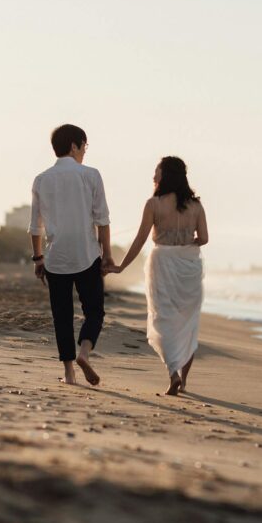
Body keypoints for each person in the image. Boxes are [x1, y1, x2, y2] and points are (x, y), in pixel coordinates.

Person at [105, 156, 208, 395]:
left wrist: (121, 266)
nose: (153, 176)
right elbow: (204, 238)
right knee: (187, 322)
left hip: (162, 262)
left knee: (163, 319)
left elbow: (141, 239)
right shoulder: (196, 206)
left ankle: (173, 374)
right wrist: (186, 242)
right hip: (189, 264)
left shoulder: (153, 204)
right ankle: (184, 379)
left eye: (157, 172)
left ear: (165, 176)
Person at [29, 124, 114, 386]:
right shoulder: (90, 175)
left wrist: (38, 258)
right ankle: (84, 353)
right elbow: (102, 220)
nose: (85, 151)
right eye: (84, 146)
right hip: (87, 255)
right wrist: (107, 255)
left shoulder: (42, 179)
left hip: (56, 258)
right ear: (74, 146)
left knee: (62, 315)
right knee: (95, 311)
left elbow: (35, 226)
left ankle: (69, 372)